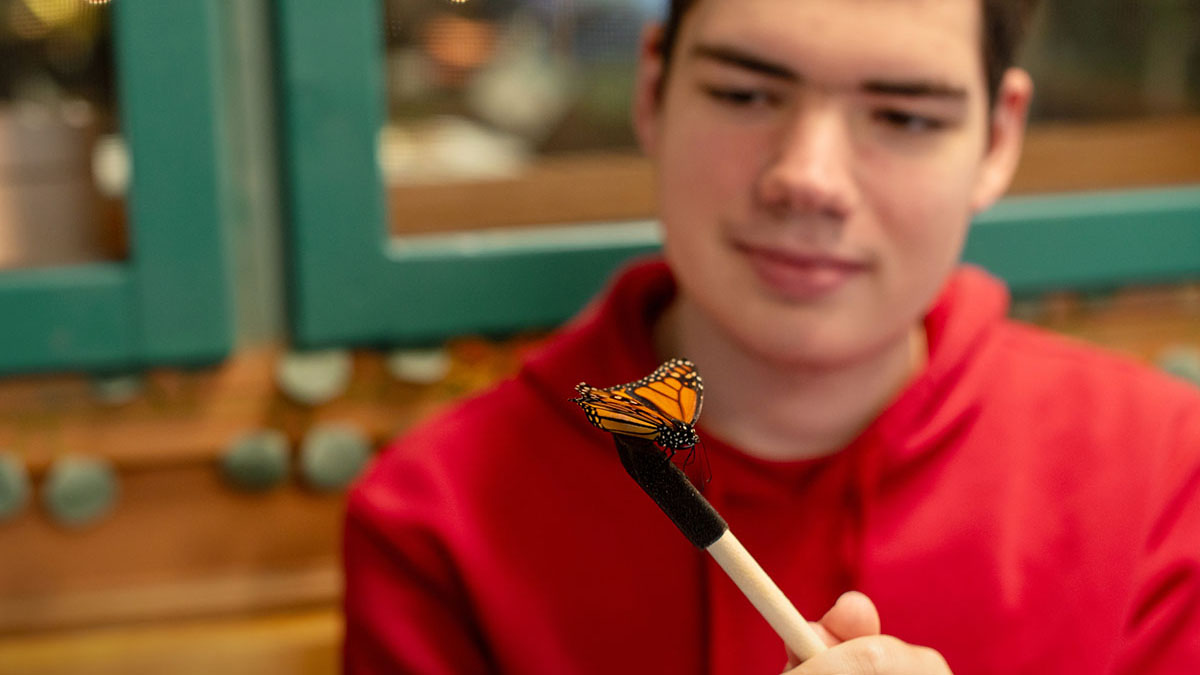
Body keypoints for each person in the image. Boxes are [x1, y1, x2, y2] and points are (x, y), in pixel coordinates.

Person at [343, 0, 1200, 672]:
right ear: (653, 93)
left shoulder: (1164, 473)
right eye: (745, 94)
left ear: (998, 138)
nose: (808, 178)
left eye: (903, 116)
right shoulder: (436, 519)